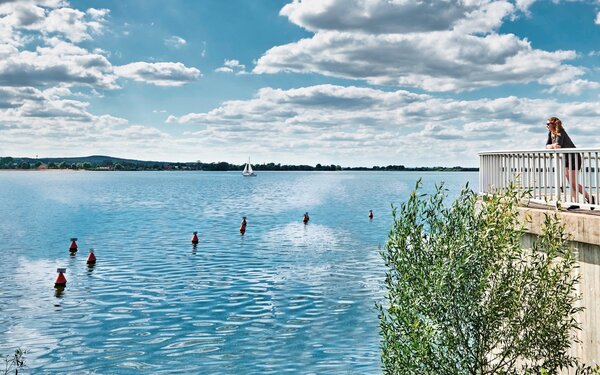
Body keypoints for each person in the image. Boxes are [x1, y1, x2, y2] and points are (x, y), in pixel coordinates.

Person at [545, 117, 594, 206]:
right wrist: (552, 145)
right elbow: (547, 146)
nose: (546, 126)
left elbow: (558, 146)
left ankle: (589, 198)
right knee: (571, 182)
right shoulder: (551, 133)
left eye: (548, 124)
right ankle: (575, 203)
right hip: (566, 158)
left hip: (574, 157)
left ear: (553, 124)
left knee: (573, 182)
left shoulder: (560, 132)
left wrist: (551, 146)